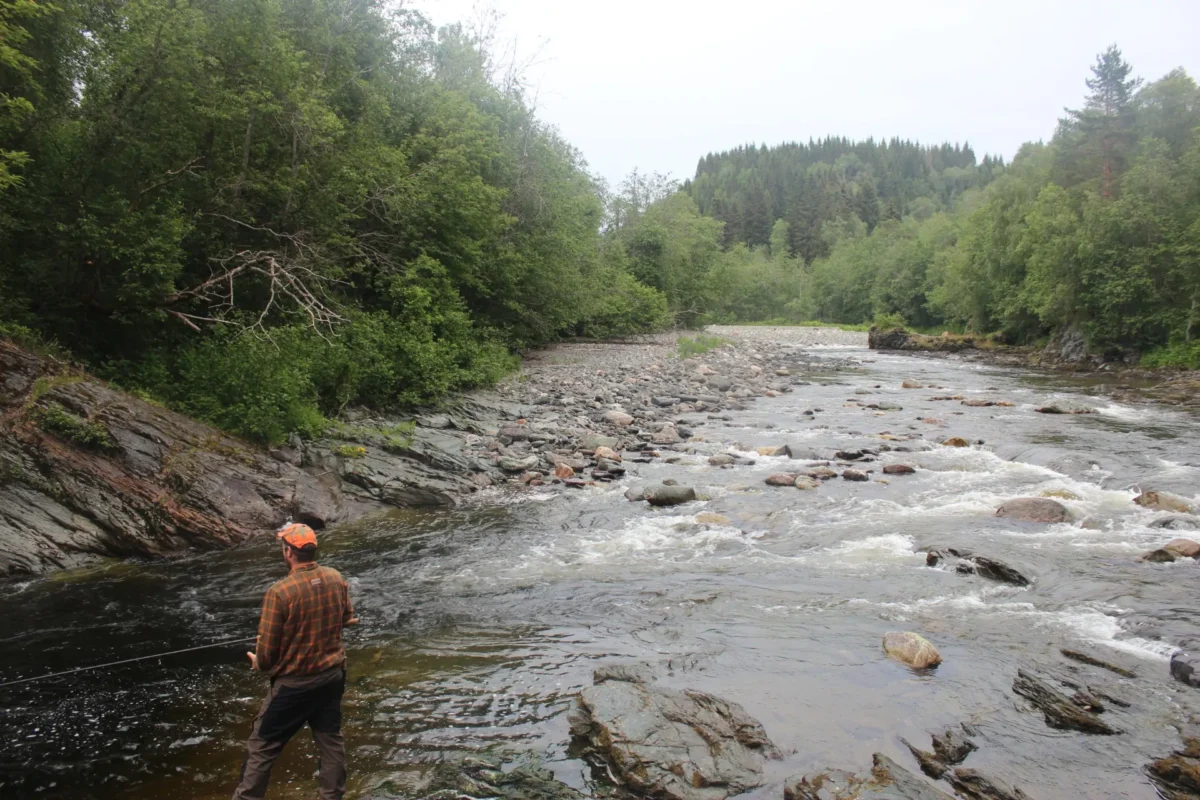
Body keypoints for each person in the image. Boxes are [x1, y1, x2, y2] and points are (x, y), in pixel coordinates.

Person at [233, 522, 356, 800]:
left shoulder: (280, 592)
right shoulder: (336, 577)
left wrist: (258, 663)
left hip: (293, 686)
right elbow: (347, 616)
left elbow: (266, 656)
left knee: (262, 748)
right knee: (330, 740)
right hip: (332, 676)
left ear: (289, 552)